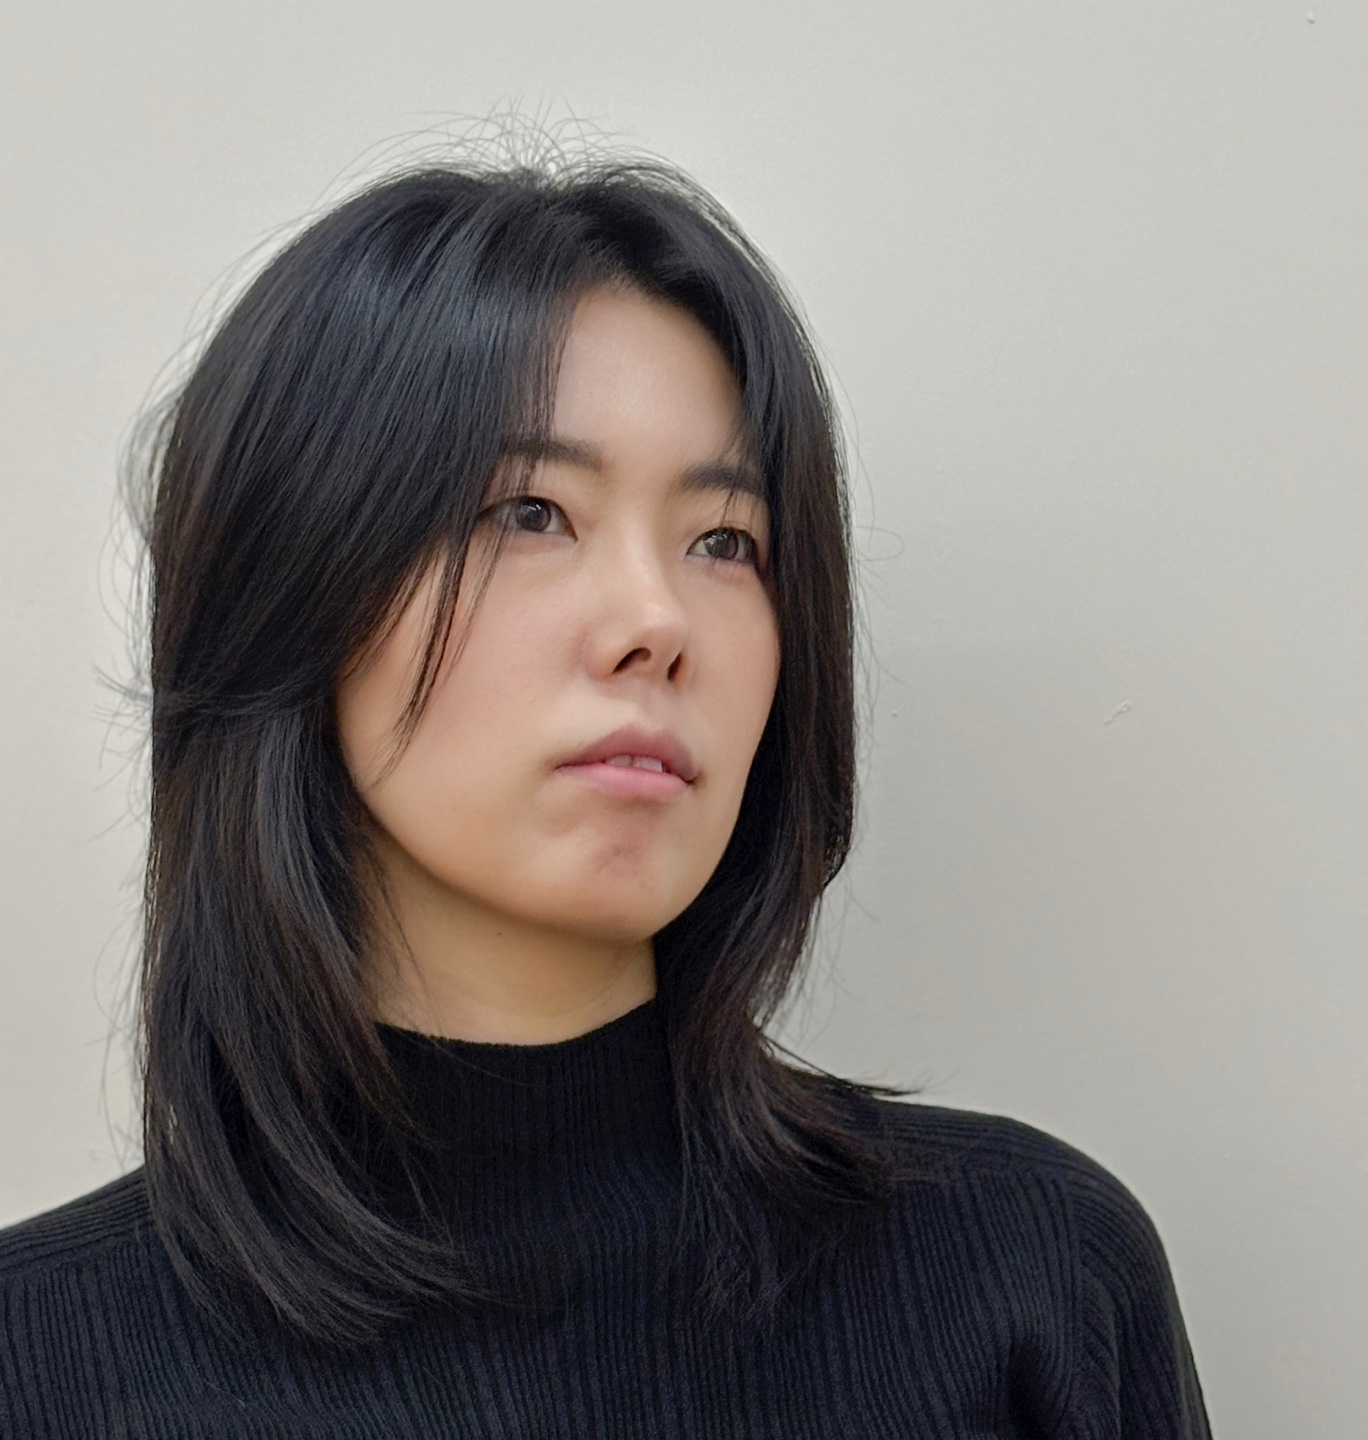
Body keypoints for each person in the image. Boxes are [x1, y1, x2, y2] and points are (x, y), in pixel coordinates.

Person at [0, 152, 1211, 1437]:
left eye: (725, 541)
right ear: (292, 586)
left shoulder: (1033, 1275)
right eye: (530, 513)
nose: (656, 619)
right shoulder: (38, 1365)